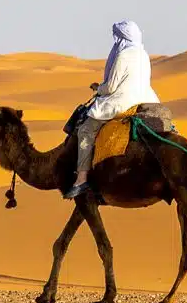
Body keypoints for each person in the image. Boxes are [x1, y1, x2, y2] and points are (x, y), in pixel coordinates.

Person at [65, 20, 160, 199]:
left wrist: (98, 88)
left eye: (117, 37)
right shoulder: (143, 54)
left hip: (123, 102)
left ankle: (82, 177)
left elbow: (111, 87)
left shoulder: (123, 55)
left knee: (86, 130)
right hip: (147, 100)